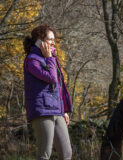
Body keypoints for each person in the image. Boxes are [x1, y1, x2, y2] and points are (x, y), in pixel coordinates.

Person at [23, 24, 73, 160]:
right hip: (42, 111)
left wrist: (64, 110)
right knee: (44, 155)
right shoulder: (31, 61)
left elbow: (60, 86)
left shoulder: (51, 59)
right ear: (39, 40)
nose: (53, 43)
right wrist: (49, 57)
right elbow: (51, 79)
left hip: (57, 111)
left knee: (67, 153)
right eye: (50, 39)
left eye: (53, 40)